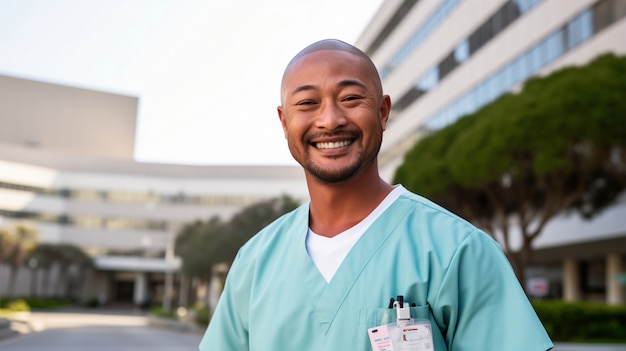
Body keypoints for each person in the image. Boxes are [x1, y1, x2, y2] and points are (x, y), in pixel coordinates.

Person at [199, 39, 553, 351]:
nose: (330, 120)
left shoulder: (458, 251)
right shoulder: (255, 262)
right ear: (283, 122)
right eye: (307, 103)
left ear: (383, 112)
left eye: (351, 98)